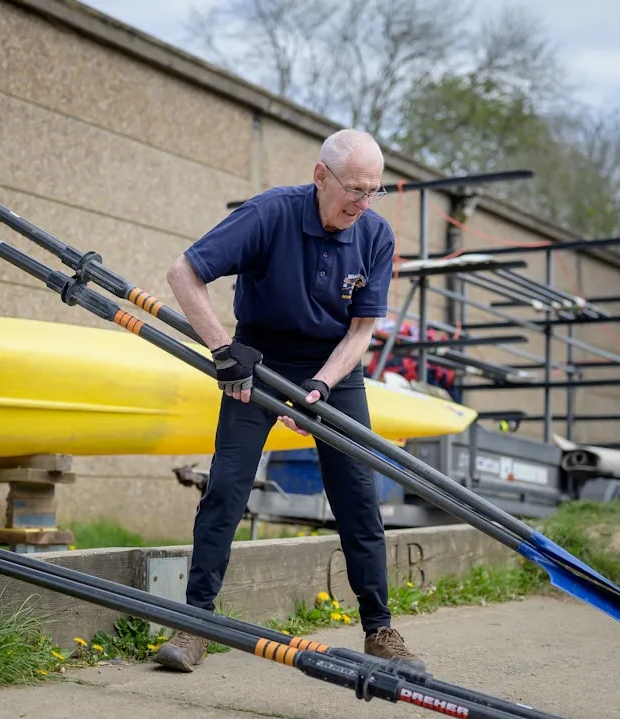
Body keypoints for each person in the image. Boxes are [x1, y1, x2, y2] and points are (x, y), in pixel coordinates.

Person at [155, 128, 424, 673]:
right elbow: (183, 272)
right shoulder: (269, 214)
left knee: (357, 495)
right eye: (354, 188)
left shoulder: (374, 234)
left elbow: (361, 332)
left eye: (374, 191)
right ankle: (194, 624)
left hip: (334, 369)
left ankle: (379, 630)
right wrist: (223, 350)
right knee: (227, 488)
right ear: (320, 175)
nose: (363, 202)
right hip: (257, 360)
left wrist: (320, 388)